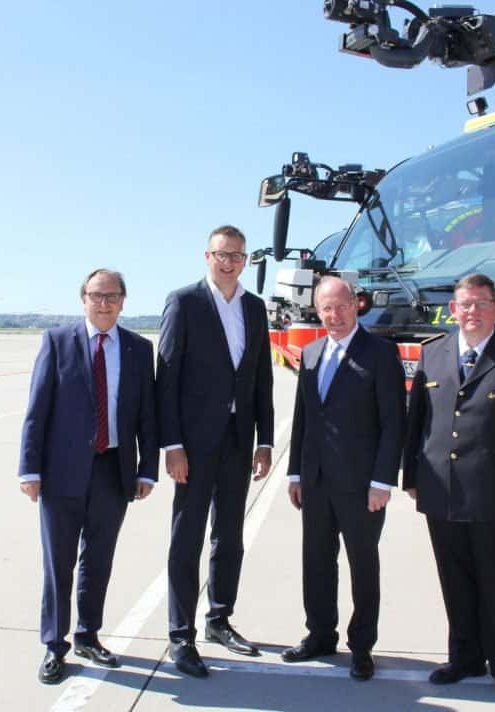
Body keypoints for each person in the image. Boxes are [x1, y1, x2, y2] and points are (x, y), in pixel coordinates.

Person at [402, 273, 495, 706]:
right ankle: (465, 658)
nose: (471, 311)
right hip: (441, 491)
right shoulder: (433, 354)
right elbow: (419, 422)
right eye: (464, 304)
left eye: (481, 304)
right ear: (453, 309)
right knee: (454, 581)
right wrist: (411, 477)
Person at [17, 269, 158, 685]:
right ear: (83, 299)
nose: (104, 303)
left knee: (98, 561)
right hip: (60, 474)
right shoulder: (57, 342)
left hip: (113, 470)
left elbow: (147, 416)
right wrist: (29, 469)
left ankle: (88, 636)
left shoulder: (137, 349)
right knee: (58, 562)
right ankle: (54, 646)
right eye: (96, 295)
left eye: (112, 296)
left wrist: (146, 467)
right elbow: (36, 411)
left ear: (123, 301)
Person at [157, 224, 275, 678]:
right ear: (207, 256)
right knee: (187, 537)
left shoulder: (254, 306)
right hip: (193, 443)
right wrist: (172, 445)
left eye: (237, 255)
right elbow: (165, 378)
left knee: (229, 534)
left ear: (246, 260)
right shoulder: (184, 302)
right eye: (221, 254)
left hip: (237, 439)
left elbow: (261, 376)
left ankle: (219, 619)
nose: (229, 262)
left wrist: (264, 440)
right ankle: (180, 635)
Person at [281, 276, 405, 681]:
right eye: (326, 308)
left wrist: (382, 482)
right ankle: (319, 634)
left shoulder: (381, 354)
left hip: (362, 486)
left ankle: (362, 646)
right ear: (318, 310)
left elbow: (393, 424)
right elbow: (303, 419)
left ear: (357, 305)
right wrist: (296, 472)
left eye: (341, 306)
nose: (333, 315)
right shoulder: (312, 352)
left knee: (362, 564)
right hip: (315, 482)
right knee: (315, 561)